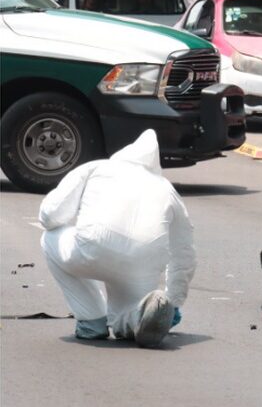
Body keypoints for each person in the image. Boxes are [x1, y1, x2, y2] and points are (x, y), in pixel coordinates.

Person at [39, 129, 196, 348]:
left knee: (49, 237)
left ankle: (91, 321)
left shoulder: (96, 167)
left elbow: (51, 215)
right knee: (135, 310)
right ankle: (139, 318)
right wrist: (175, 300)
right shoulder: (166, 188)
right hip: (143, 265)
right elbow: (184, 253)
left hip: (92, 248)